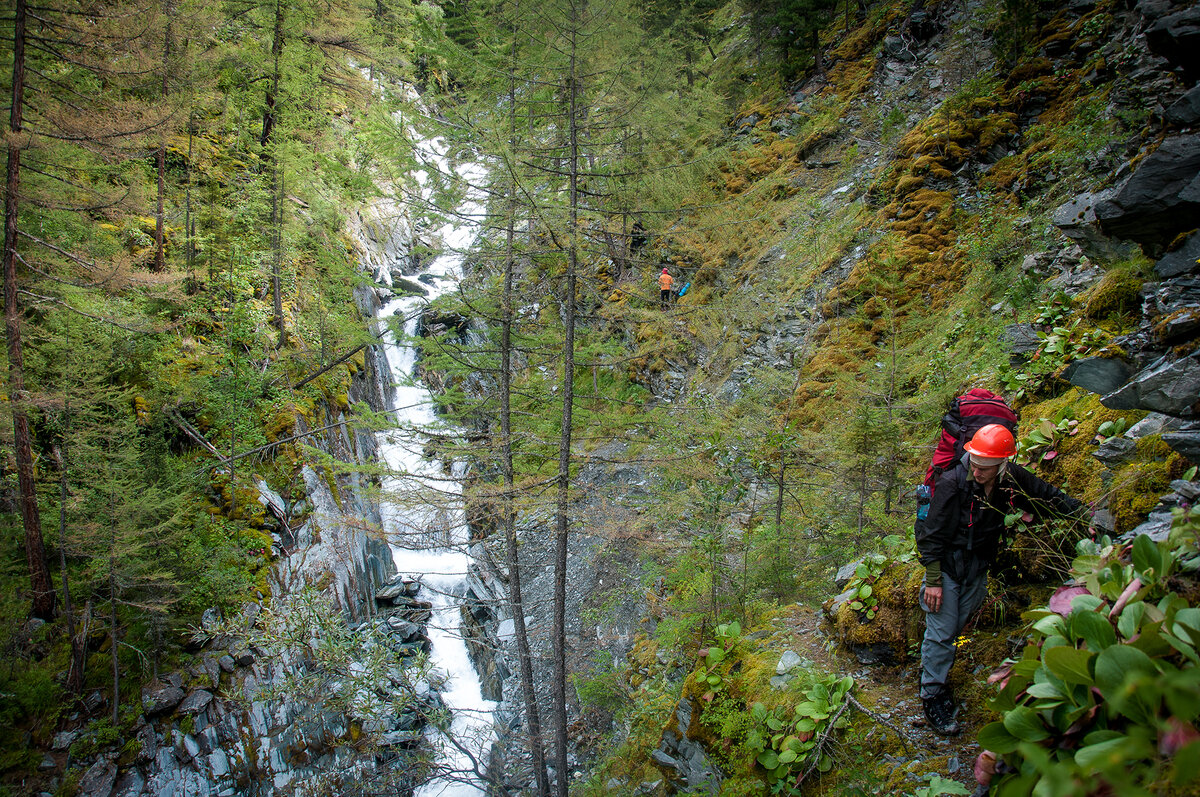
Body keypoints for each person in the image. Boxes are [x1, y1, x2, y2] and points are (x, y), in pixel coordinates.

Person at [916, 423, 1083, 735]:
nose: (977, 473)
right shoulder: (952, 482)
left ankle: (936, 665)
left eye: (985, 468)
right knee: (940, 630)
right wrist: (934, 580)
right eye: (975, 465)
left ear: (1002, 463)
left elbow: (1045, 495)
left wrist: (1082, 514)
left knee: (956, 626)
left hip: (978, 566)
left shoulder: (1011, 478)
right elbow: (931, 536)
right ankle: (932, 694)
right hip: (948, 567)